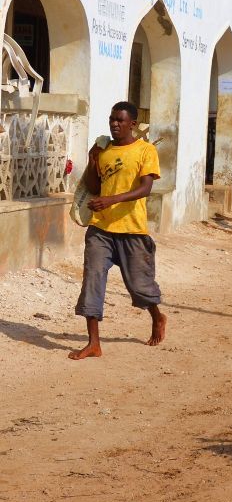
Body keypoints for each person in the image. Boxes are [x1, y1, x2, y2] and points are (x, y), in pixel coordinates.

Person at [71, 101, 166, 360]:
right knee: (92, 280)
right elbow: (93, 185)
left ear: (132, 124)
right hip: (100, 228)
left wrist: (111, 200)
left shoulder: (145, 151)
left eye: (120, 120)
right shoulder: (104, 150)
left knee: (139, 286)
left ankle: (157, 316)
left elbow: (145, 188)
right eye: (112, 119)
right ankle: (93, 343)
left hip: (132, 230)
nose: (114, 124)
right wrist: (92, 161)